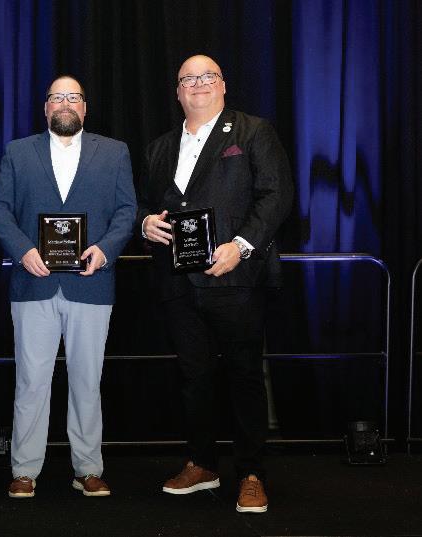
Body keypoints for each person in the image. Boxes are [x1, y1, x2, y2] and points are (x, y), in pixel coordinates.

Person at [137, 55, 293, 513]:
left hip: (236, 279)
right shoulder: (159, 147)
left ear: (223, 85)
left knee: (245, 375)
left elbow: (276, 194)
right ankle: (202, 463)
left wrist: (241, 246)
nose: (198, 84)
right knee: (193, 377)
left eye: (208, 76)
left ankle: (251, 473)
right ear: (177, 92)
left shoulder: (253, 132)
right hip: (178, 284)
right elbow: (143, 203)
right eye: (188, 79)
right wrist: (144, 223)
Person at [0, 75, 137, 498]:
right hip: (33, 284)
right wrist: (22, 251)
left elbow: (127, 211)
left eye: (73, 97)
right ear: (46, 107)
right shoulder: (19, 152)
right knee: (31, 381)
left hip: (91, 284)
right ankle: (24, 470)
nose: (65, 103)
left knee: (87, 381)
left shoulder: (115, 152)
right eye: (57, 97)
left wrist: (106, 250)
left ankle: (88, 468)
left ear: (85, 107)